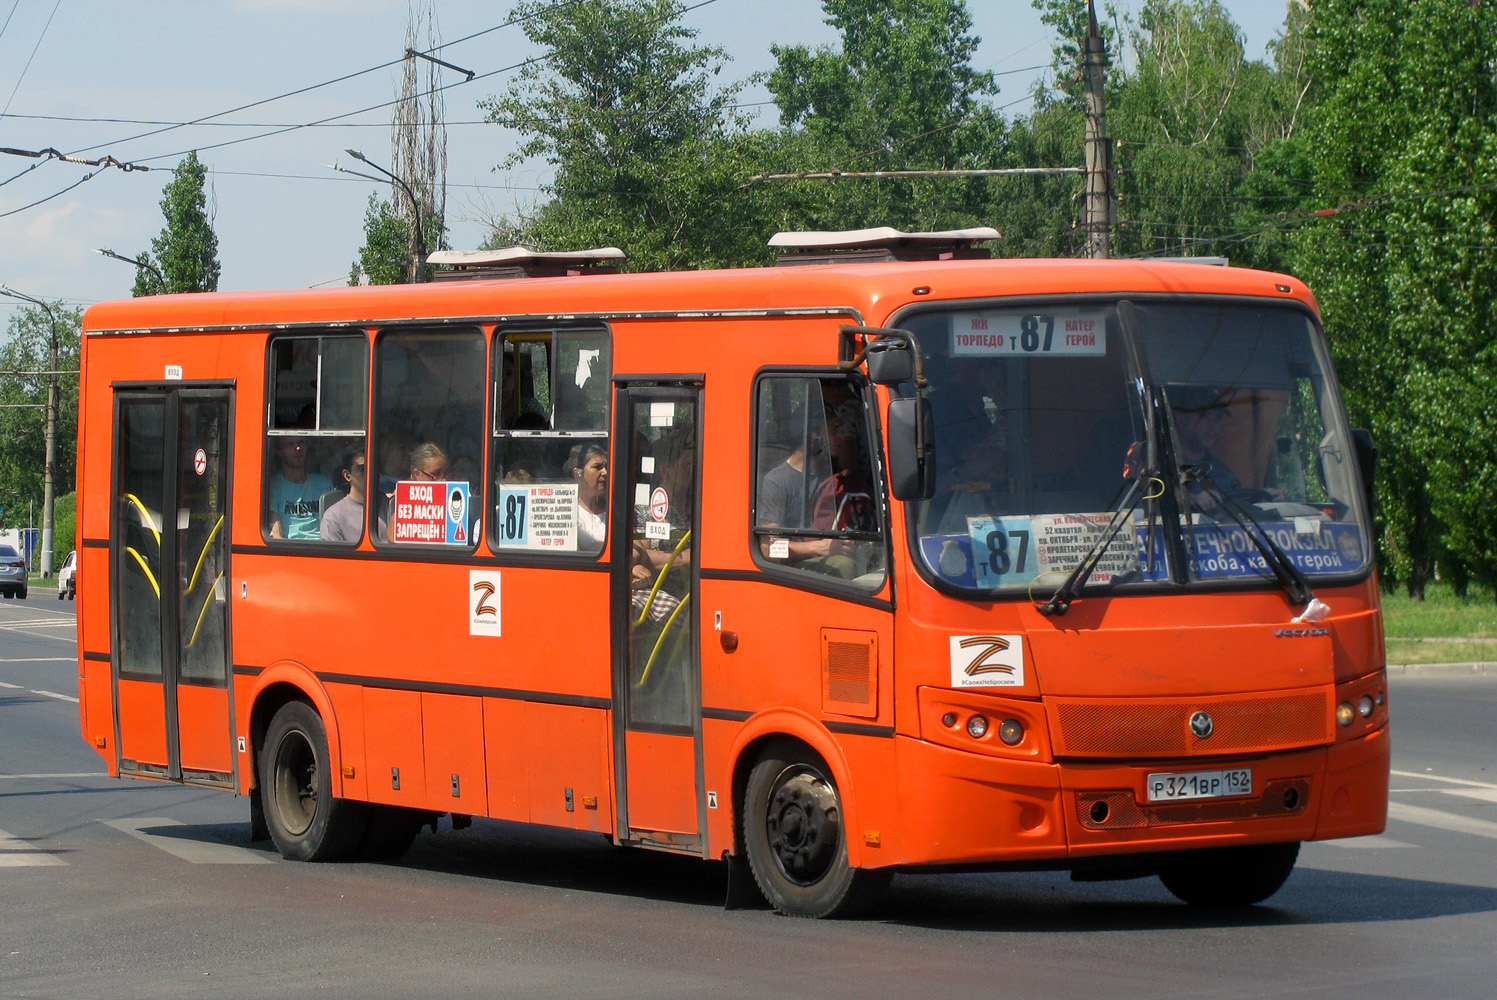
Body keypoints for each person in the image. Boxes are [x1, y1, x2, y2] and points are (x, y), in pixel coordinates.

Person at [268, 436, 333, 540]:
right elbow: (276, 533)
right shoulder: (275, 486)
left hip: (322, 547)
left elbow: (333, 524)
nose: (298, 448)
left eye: (301, 443)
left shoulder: (324, 483)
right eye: (291, 444)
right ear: (280, 452)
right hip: (290, 548)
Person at [566, 442, 608, 552]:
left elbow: (636, 548)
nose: (605, 472)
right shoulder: (568, 510)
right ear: (578, 473)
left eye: (606, 467)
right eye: (597, 467)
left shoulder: (614, 509)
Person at [321, 448, 369, 543]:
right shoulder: (333, 516)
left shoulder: (388, 508)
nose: (370, 473)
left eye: (374, 468)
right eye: (362, 469)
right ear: (347, 475)